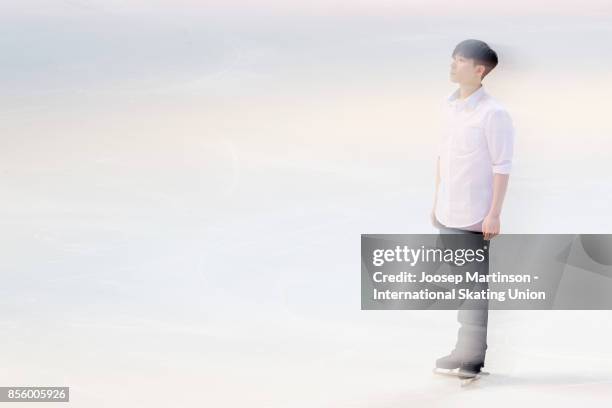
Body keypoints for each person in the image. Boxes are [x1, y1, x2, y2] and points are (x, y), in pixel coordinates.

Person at [431, 39, 515, 377]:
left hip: (474, 216)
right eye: (453, 58)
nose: (453, 64)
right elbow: (442, 156)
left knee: (473, 287)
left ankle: (472, 356)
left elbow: (502, 165)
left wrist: (494, 213)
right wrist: (435, 202)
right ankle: (463, 348)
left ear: (479, 70)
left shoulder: (493, 113)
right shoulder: (448, 107)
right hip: (447, 211)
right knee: (460, 286)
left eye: (460, 60)